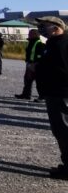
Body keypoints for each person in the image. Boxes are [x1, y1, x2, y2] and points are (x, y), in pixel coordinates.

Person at [34, 16, 68, 180]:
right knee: (60, 130)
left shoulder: (61, 44)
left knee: (63, 130)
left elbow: (62, 70)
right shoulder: (53, 43)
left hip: (60, 94)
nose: (41, 28)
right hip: (54, 93)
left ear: (56, 28)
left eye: (44, 26)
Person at [16, 28, 45, 100]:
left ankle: (42, 97)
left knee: (39, 82)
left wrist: (35, 63)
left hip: (36, 65)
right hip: (30, 64)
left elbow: (41, 55)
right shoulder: (31, 42)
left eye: (30, 34)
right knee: (27, 80)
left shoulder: (39, 43)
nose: (28, 35)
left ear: (35, 34)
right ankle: (26, 95)